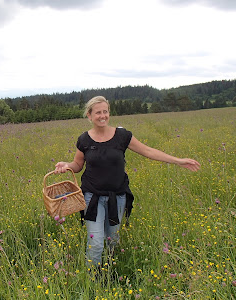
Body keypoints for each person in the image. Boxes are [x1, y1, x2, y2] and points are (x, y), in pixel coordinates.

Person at [54, 96, 200, 267]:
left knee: (112, 241)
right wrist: (67, 165)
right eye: (98, 112)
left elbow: (148, 151)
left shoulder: (122, 136)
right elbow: (78, 164)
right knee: (96, 243)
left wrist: (179, 161)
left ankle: (108, 275)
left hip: (118, 197)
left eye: (105, 111)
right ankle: (93, 281)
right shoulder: (84, 139)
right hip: (91, 198)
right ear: (89, 116)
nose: (102, 116)